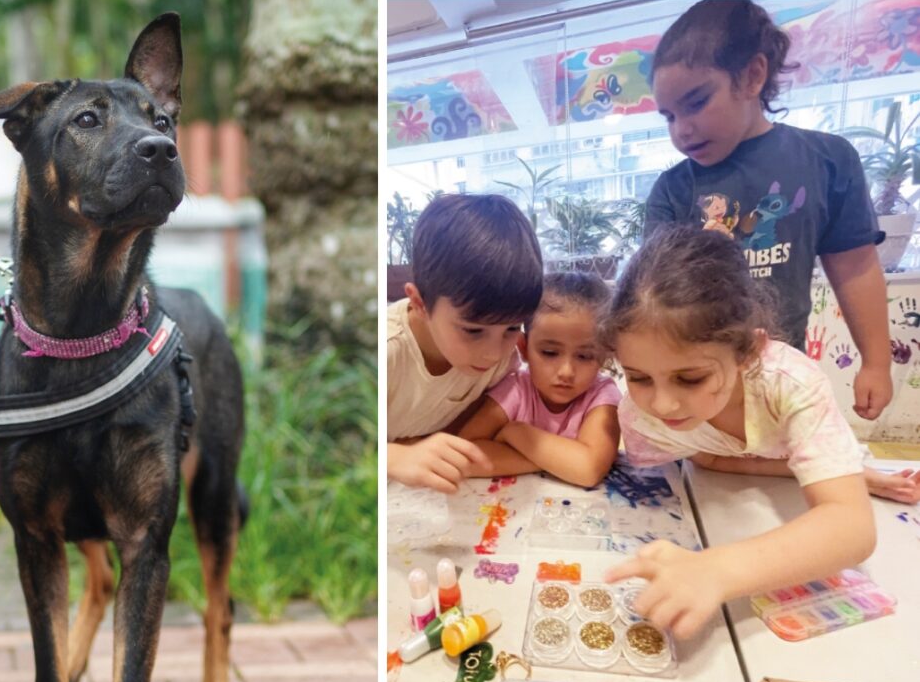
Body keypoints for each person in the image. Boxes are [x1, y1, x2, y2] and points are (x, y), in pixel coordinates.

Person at [601, 225, 920, 640]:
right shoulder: (641, 418)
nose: (662, 405)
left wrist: (716, 569)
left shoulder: (789, 383)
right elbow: (710, 458)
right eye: (638, 376)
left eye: (691, 378)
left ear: (748, 351)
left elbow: (853, 531)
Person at [644, 0, 893, 421]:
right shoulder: (672, 189)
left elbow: (854, 267)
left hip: (784, 378)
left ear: (753, 76)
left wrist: (876, 363)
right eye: (668, 116)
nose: (681, 129)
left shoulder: (827, 160)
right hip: (700, 387)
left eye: (696, 102)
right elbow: (656, 302)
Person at [387, 193, 544, 493]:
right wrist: (395, 456)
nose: (494, 352)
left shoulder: (504, 361)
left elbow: (463, 441)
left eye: (512, 328)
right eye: (473, 331)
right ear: (420, 302)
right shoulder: (388, 351)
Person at [458, 272, 621, 486]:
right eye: (550, 352)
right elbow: (463, 454)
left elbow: (588, 470)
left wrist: (518, 433)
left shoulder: (603, 395)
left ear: (604, 356)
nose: (566, 371)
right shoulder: (515, 388)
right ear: (524, 348)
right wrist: (556, 461)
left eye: (584, 356)